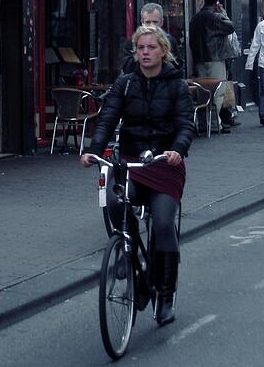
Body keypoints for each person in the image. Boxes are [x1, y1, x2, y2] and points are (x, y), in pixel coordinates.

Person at [80, 24, 194, 326]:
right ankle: (128, 254)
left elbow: (185, 124)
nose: (145, 53)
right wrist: (93, 150)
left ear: (163, 51)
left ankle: (165, 296)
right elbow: (107, 119)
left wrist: (178, 149)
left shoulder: (176, 86)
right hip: (130, 161)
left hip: (163, 164)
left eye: (151, 48)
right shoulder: (125, 83)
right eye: (140, 48)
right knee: (116, 205)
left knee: (164, 223)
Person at [188, 0, 236, 133]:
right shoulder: (214, 17)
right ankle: (215, 124)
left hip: (199, 58)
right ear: (216, 3)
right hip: (214, 57)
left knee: (203, 92)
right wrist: (223, 12)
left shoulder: (195, 18)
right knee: (217, 92)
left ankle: (204, 124)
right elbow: (230, 27)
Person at [119, 3, 183, 75]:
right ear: (142, 22)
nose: (152, 26)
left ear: (161, 22)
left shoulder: (170, 41)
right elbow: (126, 67)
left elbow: (177, 66)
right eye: (148, 22)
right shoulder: (131, 42)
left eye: (155, 22)